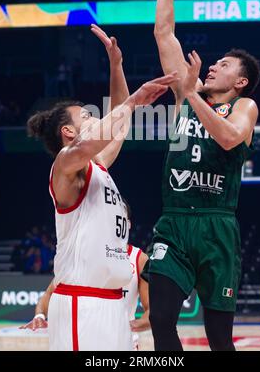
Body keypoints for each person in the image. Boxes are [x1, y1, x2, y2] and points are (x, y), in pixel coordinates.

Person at [26, 24, 177, 351]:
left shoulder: (99, 167)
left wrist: (116, 65)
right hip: (82, 304)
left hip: (114, 306)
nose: (96, 118)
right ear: (68, 132)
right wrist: (133, 100)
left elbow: (118, 124)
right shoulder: (66, 165)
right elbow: (103, 132)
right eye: (87, 116)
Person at [144, 0, 260, 351]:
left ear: (240, 81)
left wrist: (192, 92)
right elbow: (164, 32)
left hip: (217, 226)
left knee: (219, 341)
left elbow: (229, 139)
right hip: (175, 222)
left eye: (223, 66)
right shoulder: (186, 96)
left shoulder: (244, 107)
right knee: (160, 318)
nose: (212, 67)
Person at [20, 200, 150, 350]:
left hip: (122, 341)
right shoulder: (82, 253)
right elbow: (49, 294)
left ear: (128, 224)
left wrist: (124, 326)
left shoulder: (139, 258)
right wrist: (39, 316)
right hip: (86, 336)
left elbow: (151, 310)